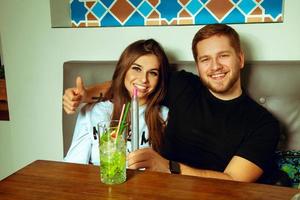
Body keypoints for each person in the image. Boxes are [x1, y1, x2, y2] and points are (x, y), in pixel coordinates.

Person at [63, 24, 280, 183]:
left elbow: (234, 181)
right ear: (198, 64)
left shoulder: (263, 123)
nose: (215, 66)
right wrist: (86, 94)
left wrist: (167, 167)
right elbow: (130, 84)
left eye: (223, 56)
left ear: (240, 59)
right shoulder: (183, 85)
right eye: (205, 59)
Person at [64, 39, 169, 165]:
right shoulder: (93, 112)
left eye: (153, 73)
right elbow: (74, 166)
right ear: (123, 70)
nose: (143, 79)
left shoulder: (165, 116)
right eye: (136, 69)